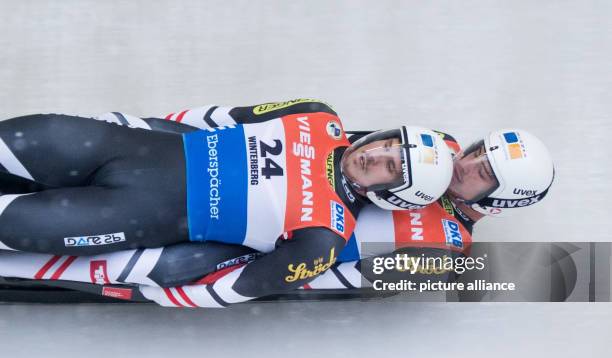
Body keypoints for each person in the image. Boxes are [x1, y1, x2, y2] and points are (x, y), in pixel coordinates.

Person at [0, 105, 555, 307]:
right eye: (479, 152)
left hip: (255, 240)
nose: (467, 164)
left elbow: (333, 276)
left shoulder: (444, 248)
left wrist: (204, 275)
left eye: (483, 173)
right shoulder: (432, 146)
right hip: (218, 177)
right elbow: (352, 147)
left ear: (499, 200)